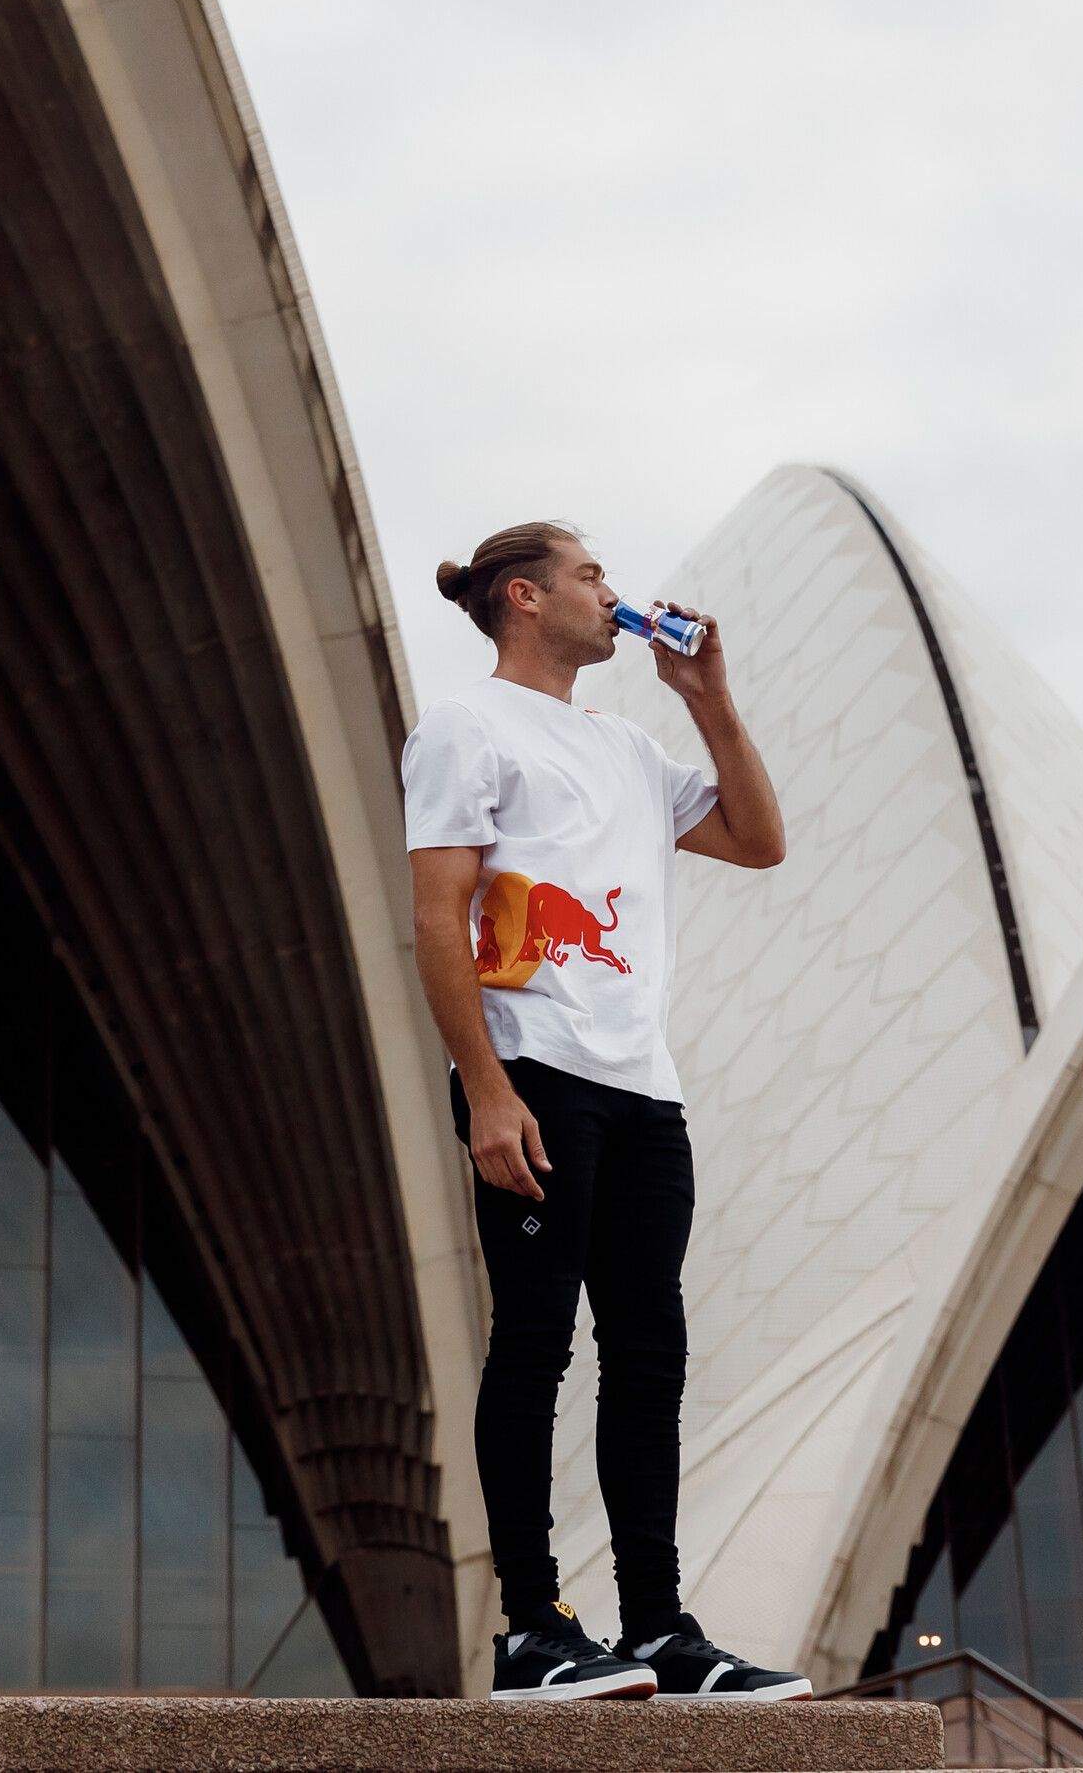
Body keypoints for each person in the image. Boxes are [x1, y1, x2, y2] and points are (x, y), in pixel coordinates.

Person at [401, 522, 805, 1703]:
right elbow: (437, 919)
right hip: (531, 1070)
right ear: (524, 599)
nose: (614, 597)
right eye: (591, 578)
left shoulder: (626, 743)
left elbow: (760, 841)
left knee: (648, 1356)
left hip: (641, 1089)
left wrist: (709, 700)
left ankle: (658, 1629)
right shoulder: (464, 727)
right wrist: (483, 1088)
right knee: (534, 1341)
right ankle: (531, 1625)